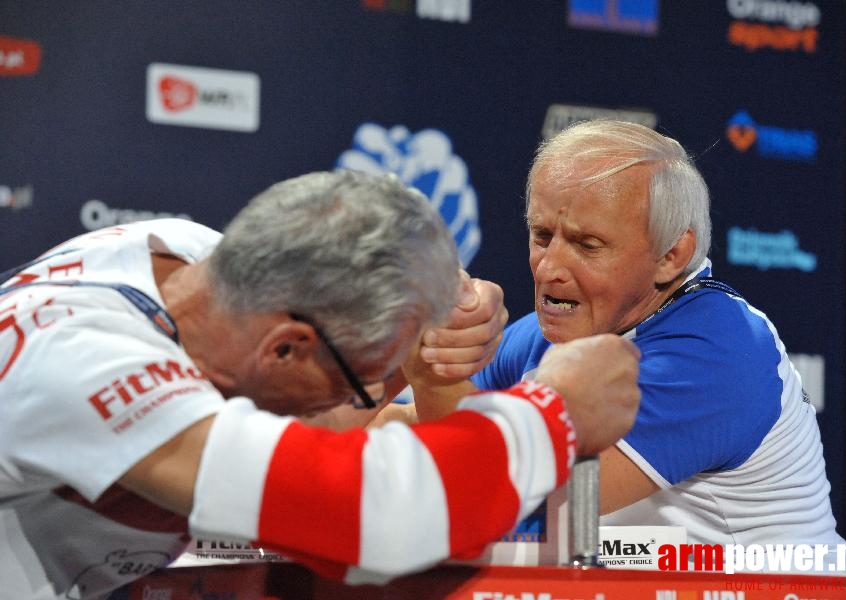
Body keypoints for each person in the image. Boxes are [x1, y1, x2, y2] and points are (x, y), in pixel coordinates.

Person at [0, 169, 640, 600]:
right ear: (286, 348)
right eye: (366, 386)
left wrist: (424, 333)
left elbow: (304, 427)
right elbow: (371, 512)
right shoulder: (88, 365)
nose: (363, 405)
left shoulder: (195, 264)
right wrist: (553, 412)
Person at [408, 120, 846, 562]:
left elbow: (501, 497)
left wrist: (432, 372)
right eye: (542, 236)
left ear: (671, 254)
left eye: (587, 244)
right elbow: (411, 429)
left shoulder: (716, 349)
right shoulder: (566, 326)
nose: (548, 268)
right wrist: (434, 345)